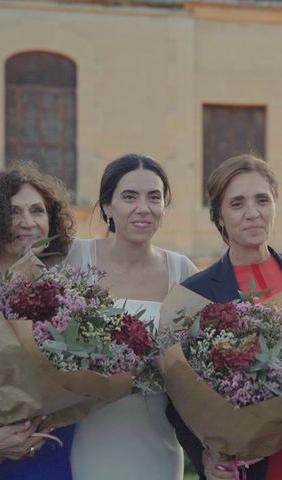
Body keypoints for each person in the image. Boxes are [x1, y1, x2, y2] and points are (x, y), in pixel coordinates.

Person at [166, 154, 282, 480]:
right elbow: (179, 397)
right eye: (237, 203)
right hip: (255, 468)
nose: (253, 213)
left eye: (262, 200)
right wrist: (206, 458)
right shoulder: (198, 293)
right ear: (219, 215)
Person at [65, 154, 198, 480]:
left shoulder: (182, 271)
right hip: (89, 435)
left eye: (154, 197)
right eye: (129, 197)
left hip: (158, 442)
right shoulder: (73, 258)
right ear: (107, 206)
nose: (144, 207)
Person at [0, 162, 76, 479]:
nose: (28, 223)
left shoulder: (69, 293)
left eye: (38, 211)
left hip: (60, 456)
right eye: (13, 212)